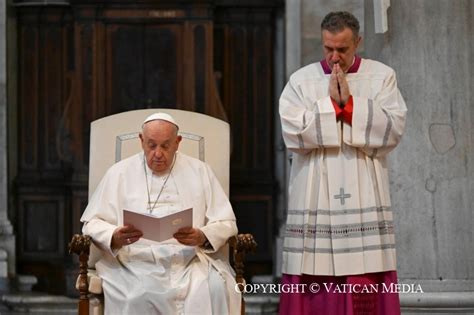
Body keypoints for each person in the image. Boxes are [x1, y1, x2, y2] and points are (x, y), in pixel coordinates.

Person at [278, 11, 407, 315]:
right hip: (315, 191)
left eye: (343, 49)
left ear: (358, 42)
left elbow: (393, 128)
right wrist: (331, 106)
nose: (335, 58)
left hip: (363, 184)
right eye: (328, 49)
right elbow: (292, 132)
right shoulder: (301, 80)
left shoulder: (382, 76)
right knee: (313, 268)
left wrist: (349, 106)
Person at [80, 113, 240, 315]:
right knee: (136, 296)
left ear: (177, 142)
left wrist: (203, 235)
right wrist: (114, 235)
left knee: (216, 289)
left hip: (188, 262)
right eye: (151, 145)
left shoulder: (200, 171)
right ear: (141, 140)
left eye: (165, 146)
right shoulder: (119, 173)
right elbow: (91, 222)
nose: (157, 153)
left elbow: (227, 222)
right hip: (133, 263)